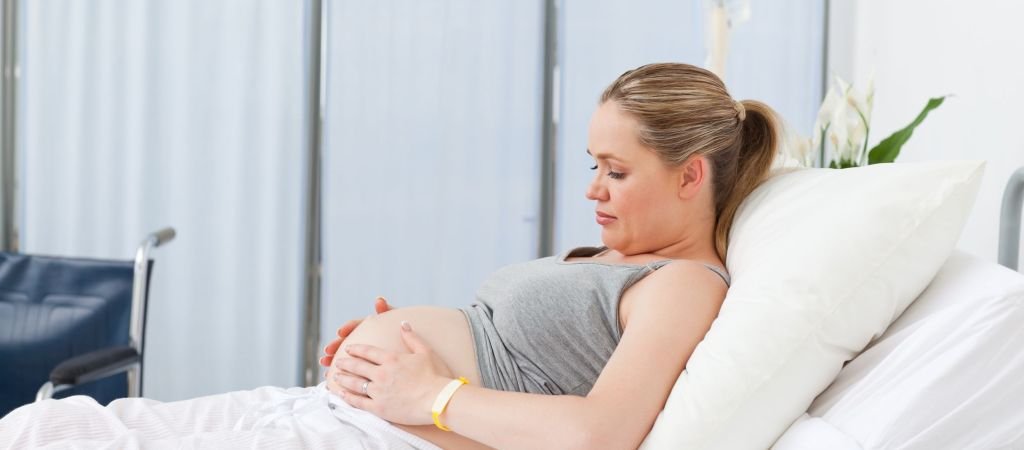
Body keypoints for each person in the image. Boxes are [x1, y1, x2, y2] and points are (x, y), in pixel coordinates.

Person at [0, 62, 778, 449]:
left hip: (383, 436)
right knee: (48, 428)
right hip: (331, 410)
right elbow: (508, 353)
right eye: (592, 165)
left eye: (616, 171)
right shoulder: (609, 257)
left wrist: (427, 394)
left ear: (690, 176)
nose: (593, 189)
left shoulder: (683, 283)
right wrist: (396, 343)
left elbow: (597, 434)